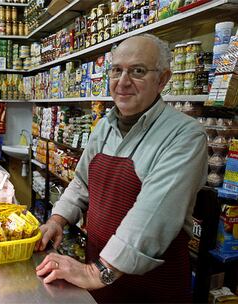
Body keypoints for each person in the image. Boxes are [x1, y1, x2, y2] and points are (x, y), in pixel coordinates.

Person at [35, 34, 208, 303]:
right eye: (117, 70)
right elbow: (82, 182)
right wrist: (57, 220)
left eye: (138, 71)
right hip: (103, 282)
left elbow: (153, 217)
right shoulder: (105, 125)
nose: (123, 82)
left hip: (152, 289)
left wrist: (97, 272)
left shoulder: (185, 136)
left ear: (162, 79)